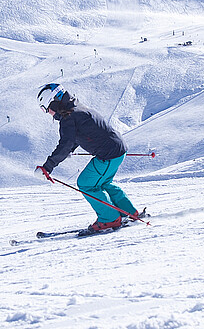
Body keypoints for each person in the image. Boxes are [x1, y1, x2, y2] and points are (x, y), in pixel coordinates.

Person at [34, 83, 142, 233]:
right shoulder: (77, 109)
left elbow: (66, 143)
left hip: (108, 155)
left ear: (53, 102)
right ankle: (127, 211)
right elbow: (77, 137)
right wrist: (69, 150)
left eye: (45, 109)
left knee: (86, 183)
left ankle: (109, 219)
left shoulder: (69, 118)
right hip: (117, 150)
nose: (48, 113)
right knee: (103, 183)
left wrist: (47, 167)